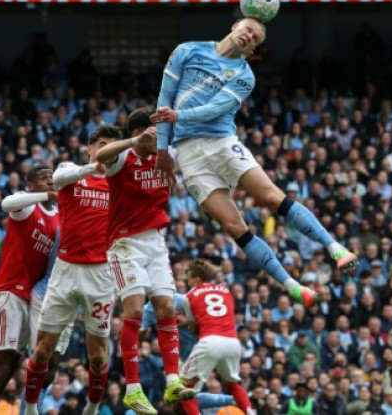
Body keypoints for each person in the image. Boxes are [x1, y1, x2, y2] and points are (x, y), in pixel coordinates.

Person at [151, 18, 357, 306]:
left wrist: (178, 116)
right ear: (235, 25)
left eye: (256, 38)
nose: (249, 36)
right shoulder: (187, 50)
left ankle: (335, 248)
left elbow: (214, 109)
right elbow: (165, 98)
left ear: (252, 49)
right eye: (248, 29)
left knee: (271, 197)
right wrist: (162, 148)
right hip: (188, 155)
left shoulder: (244, 75)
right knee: (234, 226)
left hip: (221, 143)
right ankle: (293, 287)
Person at [95, 108, 193, 414]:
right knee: (135, 309)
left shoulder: (166, 155)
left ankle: (173, 380)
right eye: (156, 133)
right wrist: (134, 142)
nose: (162, 138)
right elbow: (100, 155)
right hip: (125, 244)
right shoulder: (122, 158)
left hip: (156, 242)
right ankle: (132, 390)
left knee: (166, 308)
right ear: (140, 134)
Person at [23, 124, 122, 415]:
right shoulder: (71, 170)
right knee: (42, 349)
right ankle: (30, 407)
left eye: (112, 145)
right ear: (90, 148)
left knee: (97, 355)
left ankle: (92, 406)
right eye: (102, 145)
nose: (107, 150)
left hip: (100, 275)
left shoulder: (119, 183)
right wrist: (94, 167)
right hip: (65, 270)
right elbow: (58, 177)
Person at [0, 167, 60, 415]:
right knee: (0, 367)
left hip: (34, 298)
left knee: (21, 366)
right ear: (30, 185)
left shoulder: (58, 216)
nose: (50, 180)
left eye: (52, 177)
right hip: (10, 292)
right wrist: (45, 195)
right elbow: (6, 203)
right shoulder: (27, 206)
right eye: (43, 178)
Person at [177, 259, 252, 415]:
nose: (188, 283)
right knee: (233, 385)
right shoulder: (225, 290)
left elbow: (193, 327)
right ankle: (250, 412)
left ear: (197, 279)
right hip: (233, 342)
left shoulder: (188, 296)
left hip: (210, 341)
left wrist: (186, 323)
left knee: (184, 387)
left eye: (189, 279)